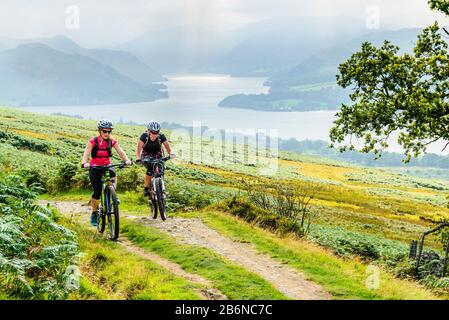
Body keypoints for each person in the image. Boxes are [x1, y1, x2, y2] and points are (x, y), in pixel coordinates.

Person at [81, 119, 132, 226]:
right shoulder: (93, 141)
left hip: (106, 165)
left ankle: (113, 195)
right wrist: (84, 163)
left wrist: (127, 160)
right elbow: (86, 153)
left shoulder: (112, 141)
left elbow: (120, 151)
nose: (107, 134)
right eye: (105, 131)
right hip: (94, 167)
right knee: (97, 192)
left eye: (109, 132)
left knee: (113, 175)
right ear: (100, 131)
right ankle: (94, 213)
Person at [136, 120, 175, 197]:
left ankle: (162, 189)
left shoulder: (161, 136)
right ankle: (146, 188)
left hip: (158, 154)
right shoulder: (144, 136)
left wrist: (171, 153)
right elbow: (139, 149)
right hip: (146, 154)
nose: (155, 134)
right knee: (150, 170)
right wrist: (138, 158)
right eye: (153, 132)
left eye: (157, 132)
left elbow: (169, 148)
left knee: (160, 169)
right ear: (149, 131)